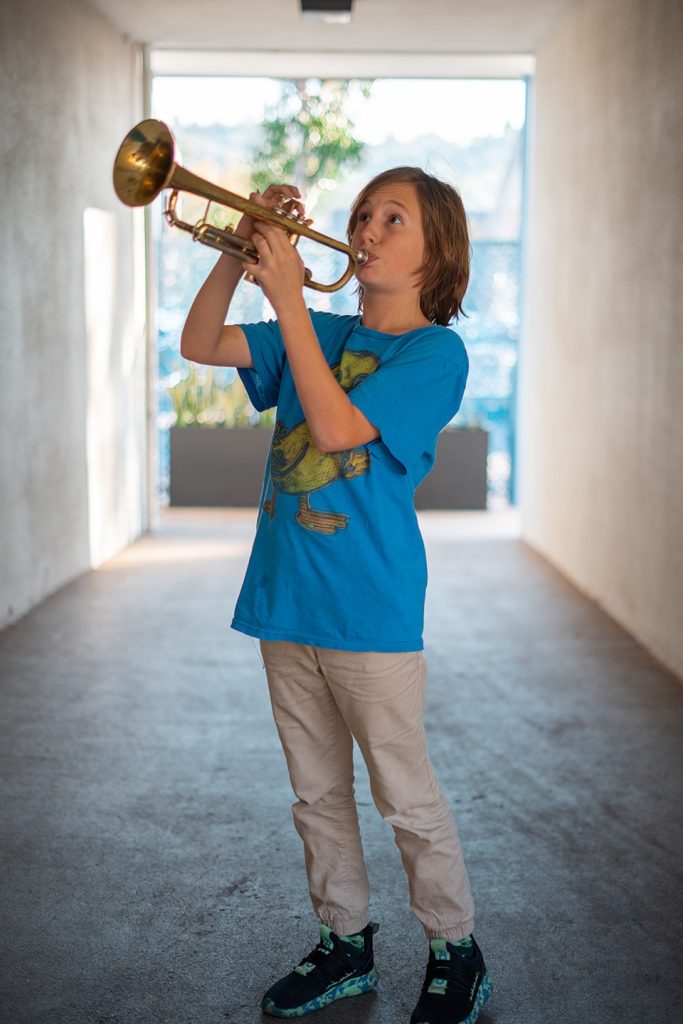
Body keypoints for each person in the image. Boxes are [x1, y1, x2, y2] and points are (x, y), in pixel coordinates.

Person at [180, 167, 493, 1024]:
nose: (367, 228)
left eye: (394, 217)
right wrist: (240, 247)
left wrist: (285, 304)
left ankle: (453, 948)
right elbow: (200, 343)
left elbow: (336, 428)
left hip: (370, 609)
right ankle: (343, 943)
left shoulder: (432, 354)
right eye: (363, 213)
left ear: (439, 251)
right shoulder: (316, 326)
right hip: (287, 598)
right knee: (315, 793)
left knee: (404, 794)